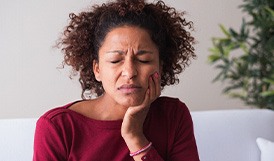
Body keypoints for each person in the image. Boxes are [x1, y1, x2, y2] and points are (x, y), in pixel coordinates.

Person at [33, 0, 200, 160]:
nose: (129, 72)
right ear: (97, 69)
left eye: (144, 60)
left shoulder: (173, 117)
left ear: (160, 67)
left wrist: (134, 136)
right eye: (115, 60)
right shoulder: (58, 128)